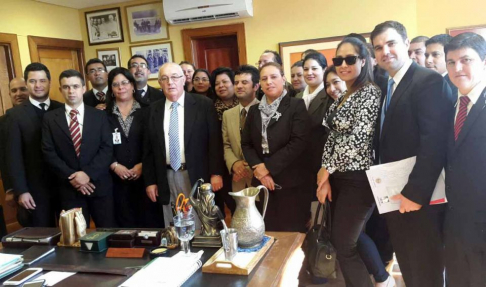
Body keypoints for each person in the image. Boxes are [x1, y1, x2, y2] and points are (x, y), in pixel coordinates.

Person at [370, 21, 453, 287]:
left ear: (406, 44)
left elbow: (434, 143)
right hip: (397, 196)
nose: (386, 51)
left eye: (391, 43)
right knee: (409, 267)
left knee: (425, 271)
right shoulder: (387, 85)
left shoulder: (426, 81)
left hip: (420, 199)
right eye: (379, 47)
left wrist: (415, 194)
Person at [316, 37, 393, 287]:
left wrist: (327, 170)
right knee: (352, 237)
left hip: (359, 179)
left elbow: (357, 141)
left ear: (363, 60)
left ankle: (378, 281)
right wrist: (324, 171)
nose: (343, 64)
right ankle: (382, 280)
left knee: (344, 244)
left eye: (350, 59)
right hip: (340, 178)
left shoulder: (370, 92)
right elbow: (332, 138)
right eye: (338, 60)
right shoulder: (345, 94)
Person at [143, 63, 224, 228]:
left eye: (174, 77)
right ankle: (179, 250)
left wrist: (216, 173)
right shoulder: (153, 110)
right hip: (165, 175)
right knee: (173, 220)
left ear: (184, 80)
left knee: (200, 220)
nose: (170, 82)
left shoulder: (203, 104)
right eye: (164, 79)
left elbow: (214, 141)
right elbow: (148, 149)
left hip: (195, 173)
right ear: (159, 83)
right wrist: (150, 181)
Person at [241, 62, 311, 232]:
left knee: (293, 235)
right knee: (266, 232)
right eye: (264, 78)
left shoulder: (296, 106)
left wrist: (268, 168)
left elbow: (298, 142)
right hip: (262, 184)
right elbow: (246, 144)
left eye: (273, 77)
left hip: (291, 184)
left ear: (283, 79)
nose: (269, 82)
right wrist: (259, 169)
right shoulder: (254, 110)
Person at [42, 69, 116, 227]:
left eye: (75, 86)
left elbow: (107, 148)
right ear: (61, 89)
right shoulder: (49, 118)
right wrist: (73, 177)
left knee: (108, 233)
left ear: (83, 88)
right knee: (76, 238)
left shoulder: (99, 116)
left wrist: (88, 174)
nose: (71, 91)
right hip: (69, 188)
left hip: (99, 185)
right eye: (66, 87)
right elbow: (49, 152)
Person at [443, 32, 486, 287]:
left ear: (483, 61)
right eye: (451, 62)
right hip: (457, 224)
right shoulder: (452, 104)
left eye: (465, 60)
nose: (457, 68)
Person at [6, 63, 63, 227]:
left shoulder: (61, 108)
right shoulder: (15, 115)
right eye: (32, 81)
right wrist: (21, 191)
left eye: (42, 81)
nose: (38, 86)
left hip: (63, 187)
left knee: (70, 237)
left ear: (49, 82)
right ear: (27, 84)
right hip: (34, 190)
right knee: (41, 239)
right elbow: (13, 157)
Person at [105, 68, 158, 227]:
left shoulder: (149, 111)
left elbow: (155, 143)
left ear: (133, 85)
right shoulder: (103, 115)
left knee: (148, 222)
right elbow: (100, 145)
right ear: (112, 89)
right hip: (115, 179)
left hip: (145, 177)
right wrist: (114, 165)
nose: (121, 87)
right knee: (123, 224)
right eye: (115, 85)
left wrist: (142, 165)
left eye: (124, 83)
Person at [222, 65, 260, 192]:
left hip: (259, 177)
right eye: (236, 82)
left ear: (256, 86)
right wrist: (234, 164)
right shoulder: (228, 114)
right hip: (237, 179)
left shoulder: (264, 111)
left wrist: (250, 167)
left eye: (244, 82)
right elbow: (226, 144)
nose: (238, 86)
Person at [0, 78, 29, 237]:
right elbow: (4, 158)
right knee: (27, 223)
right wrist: (10, 188)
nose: (19, 94)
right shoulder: (3, 122)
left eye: (22, 89)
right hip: (20, 186)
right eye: (14, 91)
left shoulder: (44, 114)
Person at [211, 67, 238, 214]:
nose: (221, 86)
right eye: (217, 83)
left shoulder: (244, 106)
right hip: (220, 164)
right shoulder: (209, 109)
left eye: (225, 82)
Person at [426, 34, 458, 102]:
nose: (428, 60)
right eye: (426, 55)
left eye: (435, 55)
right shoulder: (424, 82)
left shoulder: (456, 84)